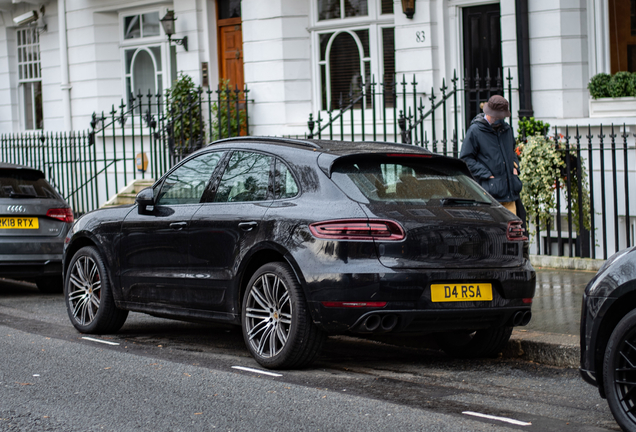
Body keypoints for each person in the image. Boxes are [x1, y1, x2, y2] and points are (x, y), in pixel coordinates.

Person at [460, 95, 522, 216]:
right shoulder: (475, 131)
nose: (502, 118)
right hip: (490, 196)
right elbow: (466, 159)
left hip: (510, 194)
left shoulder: (507, 129)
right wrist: (487, 175)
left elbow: (512, 151)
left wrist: (515, 168)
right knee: (496, 233)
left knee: (513, 231)